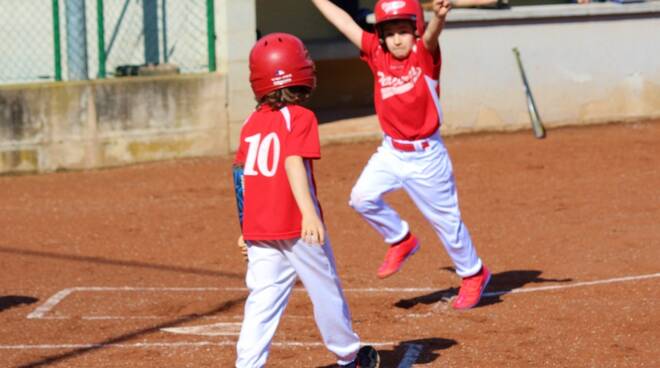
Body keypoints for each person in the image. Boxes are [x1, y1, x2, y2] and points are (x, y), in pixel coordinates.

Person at [310, 0, 491, 310]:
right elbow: (344, 23)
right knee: (361, 197)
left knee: (446, 222)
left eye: (404, 32)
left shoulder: (424, 55)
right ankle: (401, 238)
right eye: (390, 32)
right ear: (381, 36)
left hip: (426, 157)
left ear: (415, 32)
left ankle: (474, 273)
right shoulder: (376, 53)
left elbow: (432, 37)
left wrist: (439, 18)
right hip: (391, 151)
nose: (397, 39)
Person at [232, 32, 380, 368]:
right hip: (297, 227)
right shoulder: (299, 117)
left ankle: (248, 364)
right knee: (325, 290)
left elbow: (242, 175)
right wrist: (309, 215)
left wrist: (246, 226)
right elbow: (292, 161)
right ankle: (349, 356)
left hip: (261, 230)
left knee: (263, 300)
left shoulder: (249, 123)